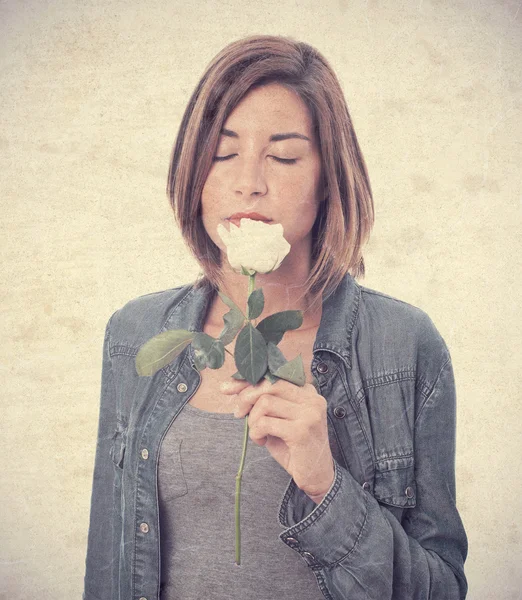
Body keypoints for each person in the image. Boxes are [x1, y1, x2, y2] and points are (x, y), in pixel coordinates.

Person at [83, 34, 468, 600]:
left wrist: (327, 486)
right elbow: (109, 567)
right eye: (223, 152)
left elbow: (441, 590)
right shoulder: (135, 335)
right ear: (195, 173)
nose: (249, 182)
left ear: (327, 176)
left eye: (283, 156)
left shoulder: (404, 347)